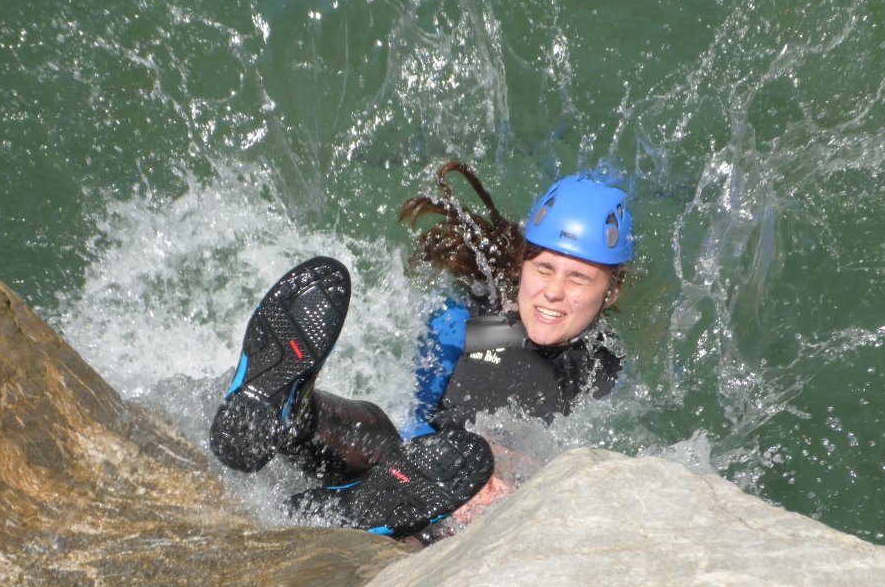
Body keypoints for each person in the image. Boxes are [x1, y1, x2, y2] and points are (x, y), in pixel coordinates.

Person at [209, 162, 634, 545]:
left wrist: (507, 483)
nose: (554, 292)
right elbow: (419, 409)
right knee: (394, 450)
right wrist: (435, 468)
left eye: (579, 279)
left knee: (466, 495)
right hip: (422, 473)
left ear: (611, 293)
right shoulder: (468, 321)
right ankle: (296, 414)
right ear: (523, 265)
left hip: (479, 510)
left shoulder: (601, 366)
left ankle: (338, 475)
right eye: (543, 269)